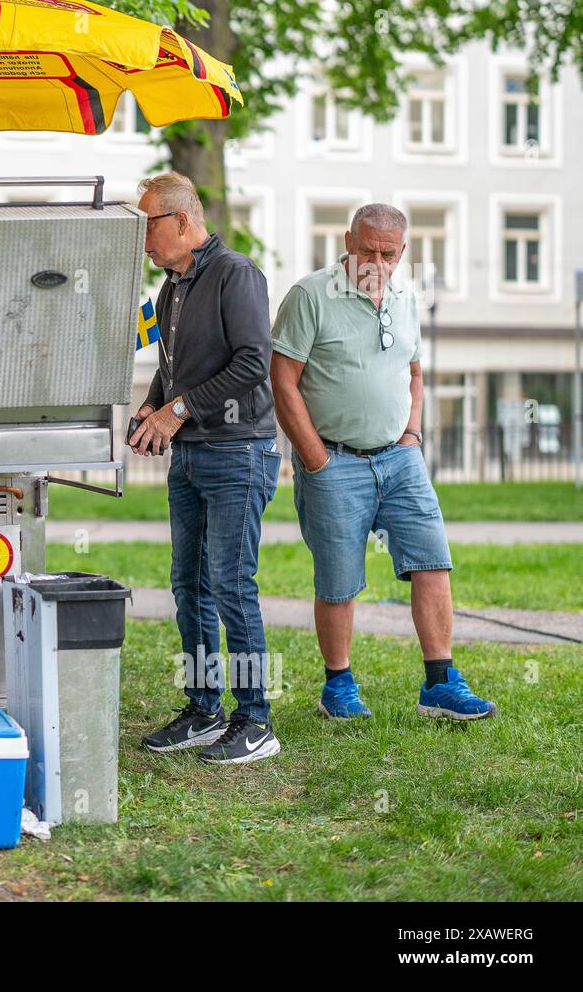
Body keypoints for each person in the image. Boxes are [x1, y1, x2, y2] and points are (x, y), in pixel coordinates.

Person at [270, 203, 496, 721]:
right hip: (335, 461)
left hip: (400, 459)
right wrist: (315, 459)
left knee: (433, 559)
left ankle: (439, 683)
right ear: (348, 240)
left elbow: (414, 373)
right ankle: (339, 687)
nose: (376, 261)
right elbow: (283, 381)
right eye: (366, 248)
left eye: (387, 253)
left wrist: (412, 433)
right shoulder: (310, 295)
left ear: (403, 253)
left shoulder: (404, 295)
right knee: (339, 580)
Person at [129, 172, 283, 764]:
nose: (145, 241)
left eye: (149, 226)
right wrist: (153, 404)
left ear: (183, 222)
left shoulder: (236, 274)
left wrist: (178, 410)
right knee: (188, 585)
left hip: (238, 452)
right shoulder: (171, 288)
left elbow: (252, 363)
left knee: (230, 584)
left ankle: (256, 720)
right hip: (192, 454)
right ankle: (203, 708)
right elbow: (176, 370)